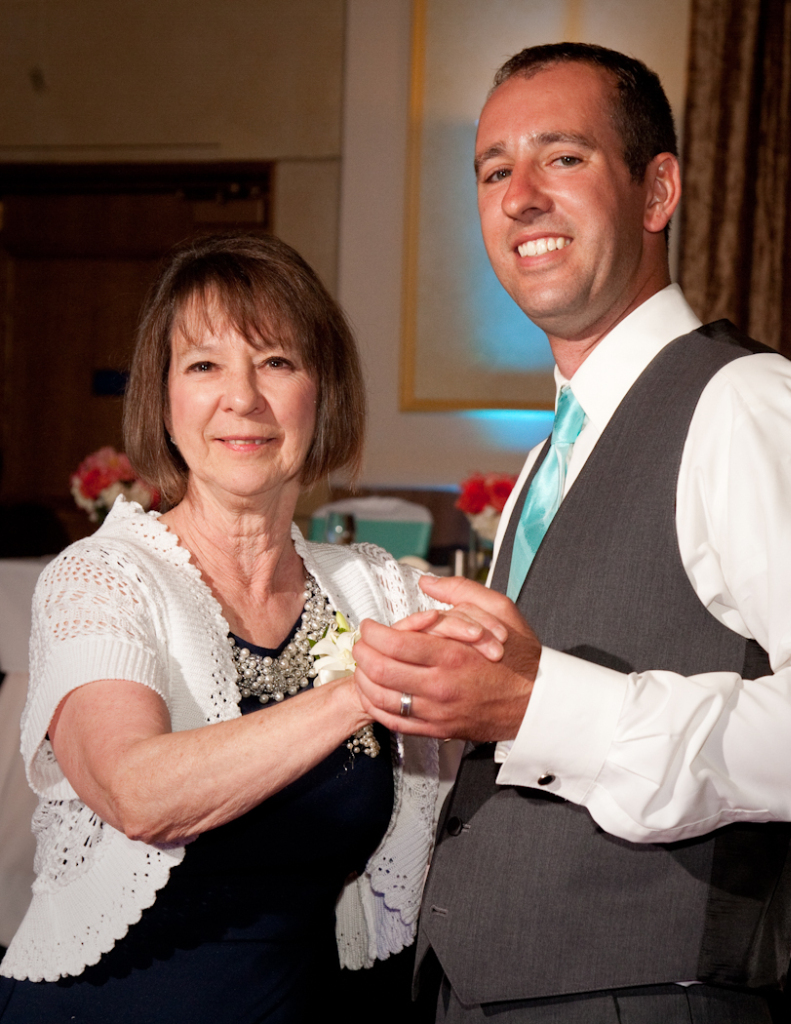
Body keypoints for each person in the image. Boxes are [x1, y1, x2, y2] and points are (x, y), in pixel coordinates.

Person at [351, 43, 791, 1023]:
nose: (520, 197)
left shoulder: (750, 406)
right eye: (494, 171)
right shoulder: (551, 453)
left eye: (563, 158)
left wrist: (541, 705)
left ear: (657, 190)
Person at [0, 233, 464, 1022]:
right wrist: (363, 693)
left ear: (323, 393)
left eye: (276, 362)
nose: (242, 398)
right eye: (204, 365)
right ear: (163, 400)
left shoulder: (378, 590)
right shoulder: (101, 578)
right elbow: (137, 793)